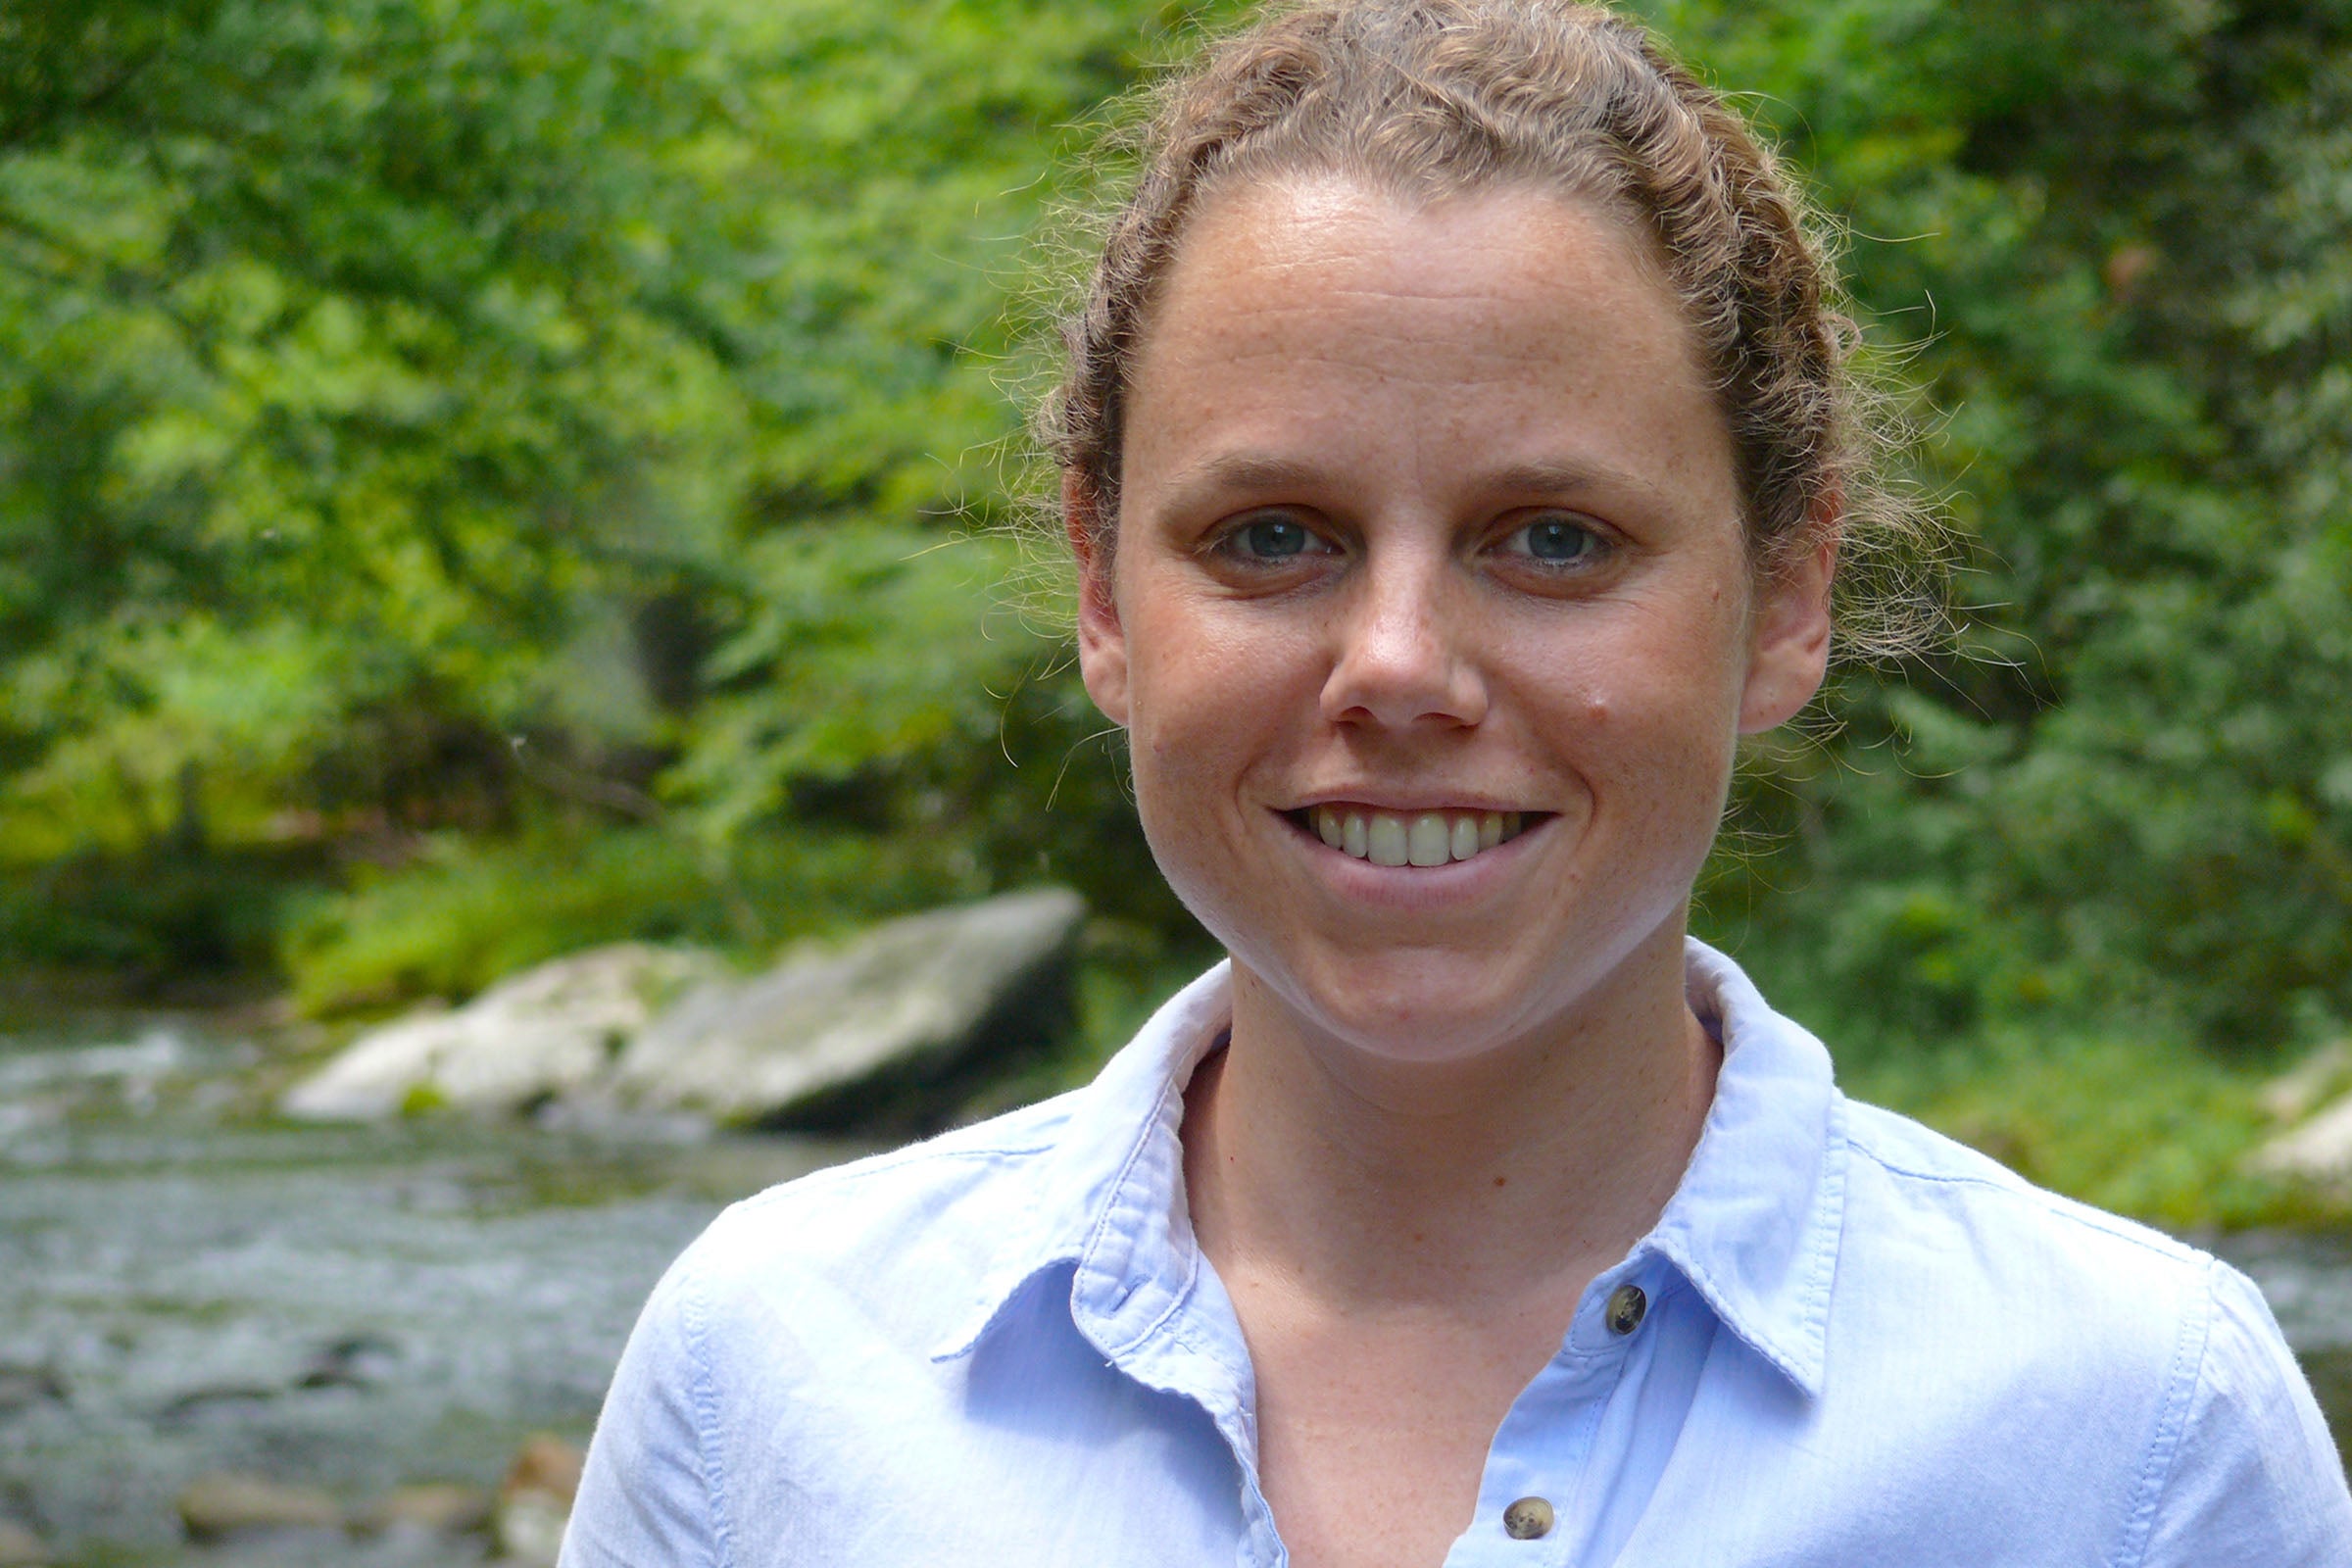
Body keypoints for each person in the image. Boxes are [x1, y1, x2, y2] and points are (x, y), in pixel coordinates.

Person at [559, 2, 2352, 1563]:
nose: (1398, 664)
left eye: (1552, 539)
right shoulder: (772, 1374)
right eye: (1275, 536)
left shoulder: (2134, 1438)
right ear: (1106, 593)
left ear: (1787, 594)